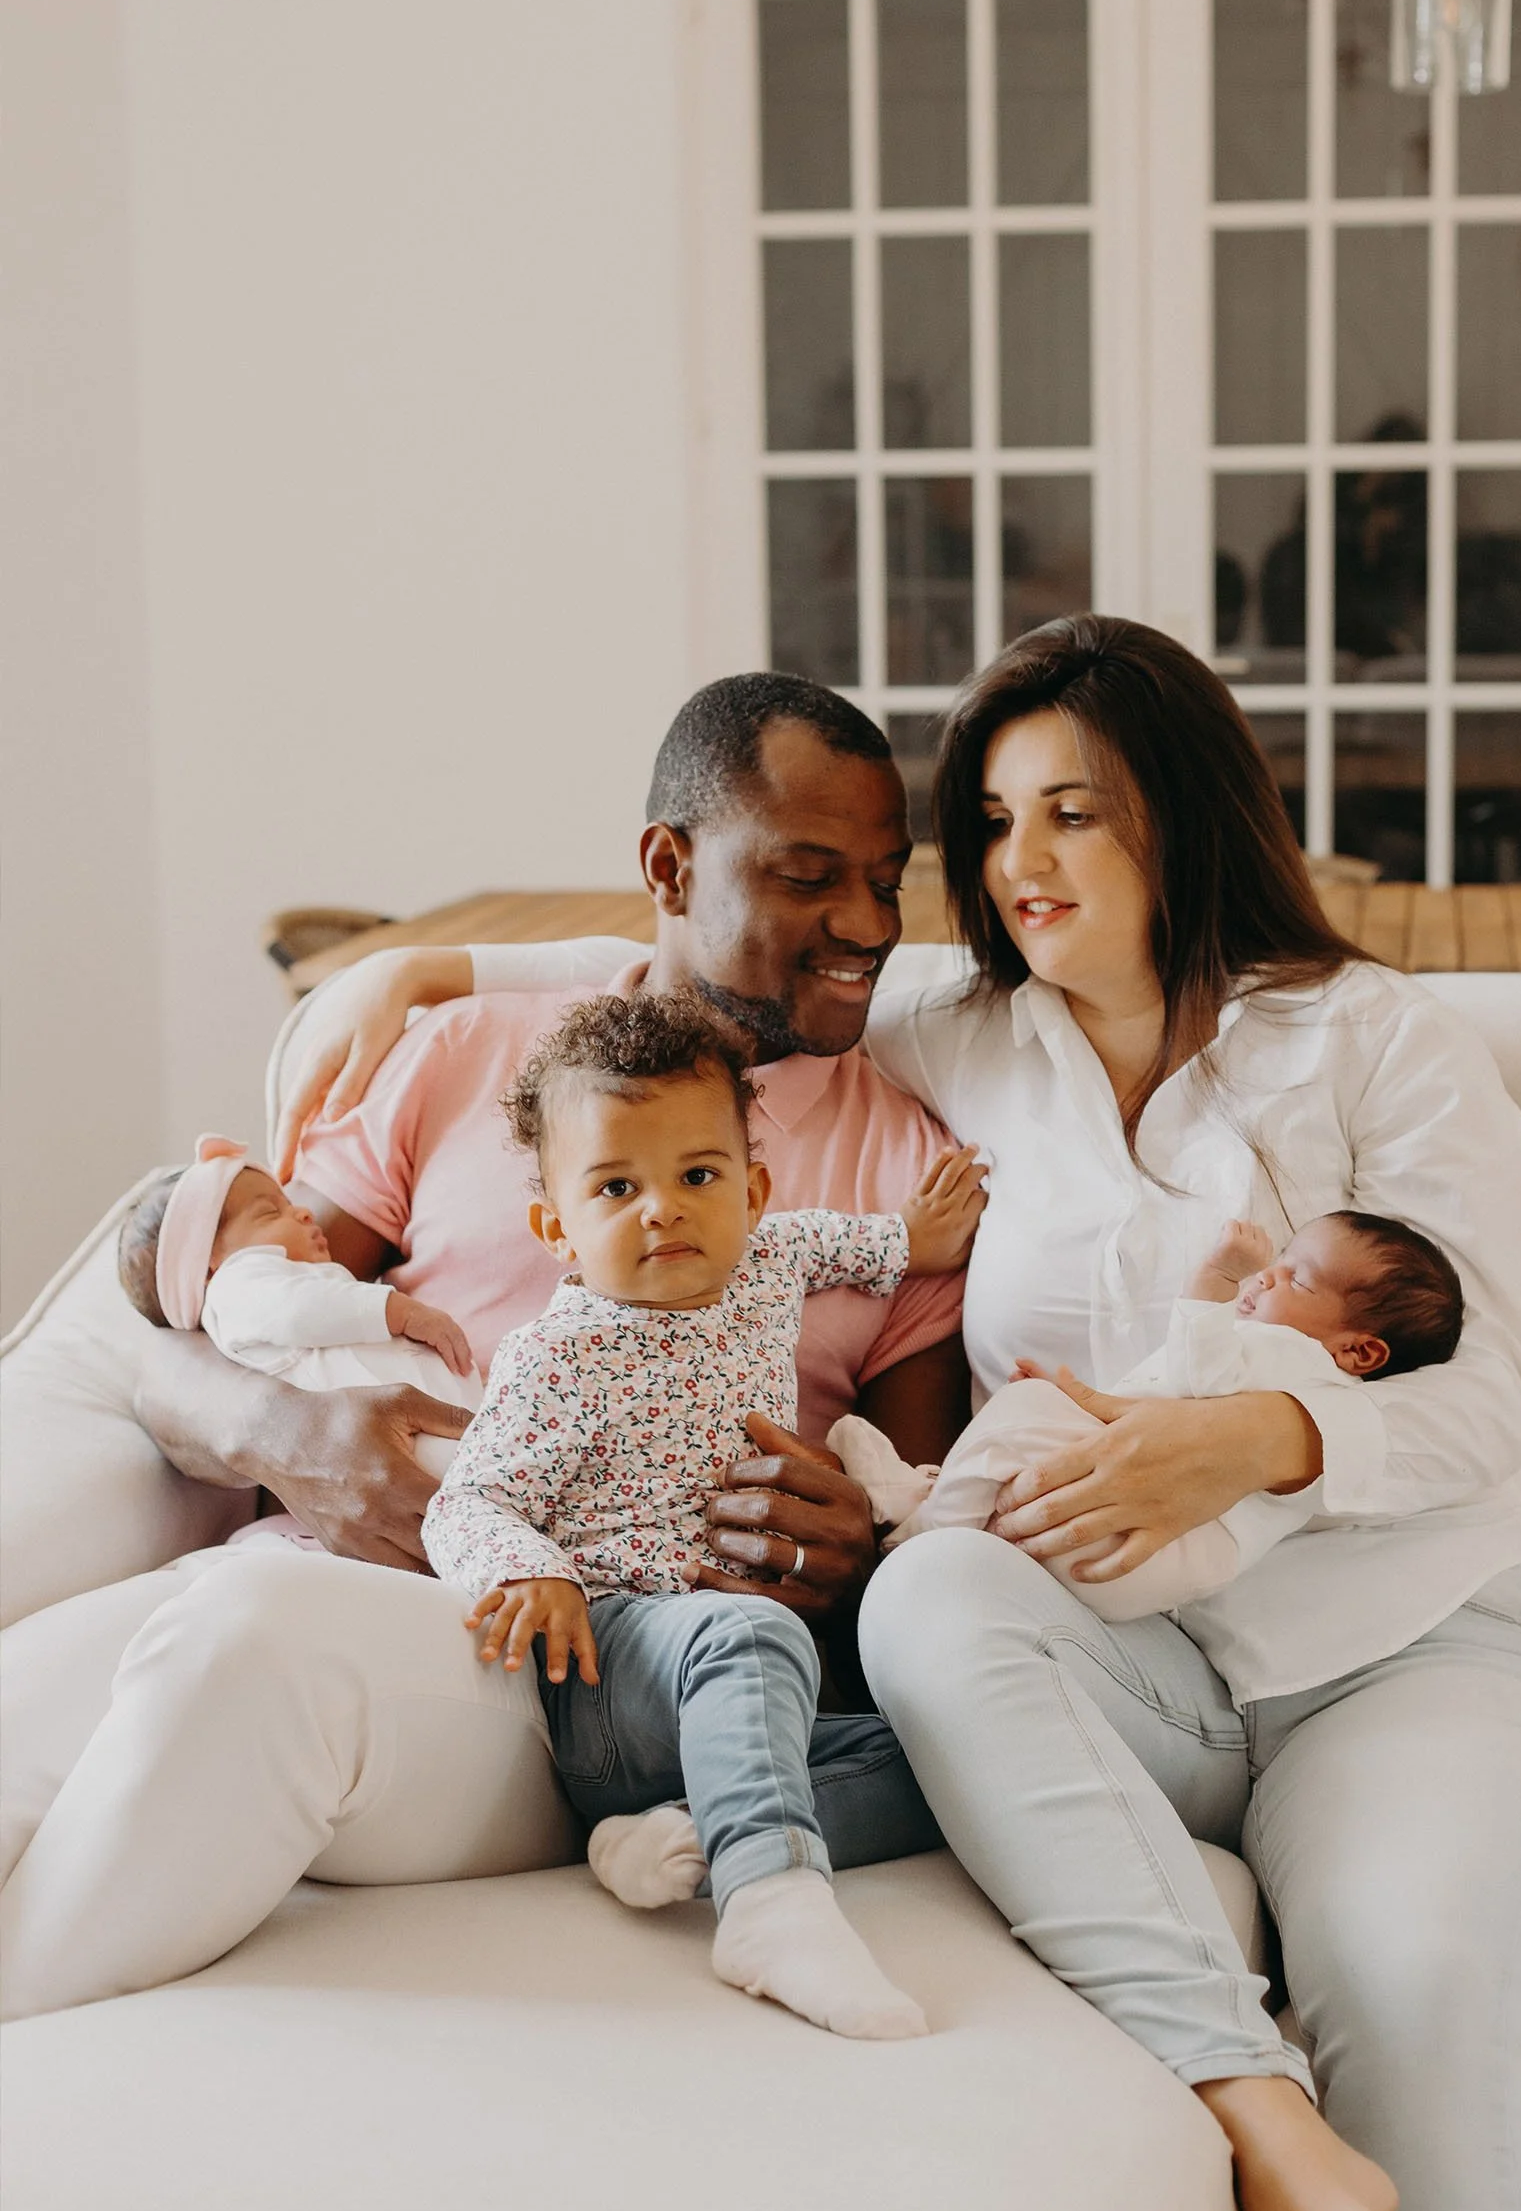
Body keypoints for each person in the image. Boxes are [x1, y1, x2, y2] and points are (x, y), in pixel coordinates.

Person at [332, 619, 1521, 2211]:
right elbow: (711, 961)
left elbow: (1484, 1382)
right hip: (1134, 1662)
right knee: (933, 1595)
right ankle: (1264, 2117)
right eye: (995, 827)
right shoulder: (965, 1032)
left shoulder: (1381, 1039)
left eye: (1074, 812)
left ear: (1188, 814)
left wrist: (1253, 1436)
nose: (1023, 866)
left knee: (1414, 1974)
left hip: (1406, 1645)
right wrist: (425, 976)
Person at [0, 674, 972, 2021]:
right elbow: (212, 1322)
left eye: (887, 878)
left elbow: (933, 1534)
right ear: (669, 867)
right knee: (41, 1692)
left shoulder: (905, 1165)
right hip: (319, 1562)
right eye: (811, 877)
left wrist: (855, 1545)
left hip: (570, 1669)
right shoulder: (464, 1051)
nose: (868, 925)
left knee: (256, 1633)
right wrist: (286, 1436)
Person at [427, 992, 980, 2037]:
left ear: (751, 1190)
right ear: (556, 1228)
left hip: (747, 1703)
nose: (662, 1209)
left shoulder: (768, 1261)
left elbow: (845, 1246)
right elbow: (472, 1497)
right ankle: (770, 1905)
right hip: (618, 1674)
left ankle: (673, 1839)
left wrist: (915, 1237)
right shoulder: (563, 1355)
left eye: (697, 1176)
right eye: (615, 1187)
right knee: (748, 1628)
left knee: (942, 1753)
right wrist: (524, 1569)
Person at [831, 1211, 1465, 1622]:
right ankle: (921, 1492)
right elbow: (1158, 1420)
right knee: (1025, 1441)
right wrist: (1070, 1401)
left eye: (1297, 1280)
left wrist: (1215, 1278)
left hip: (1151, 1543)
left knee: (1022, 1414)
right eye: (1278, 1263)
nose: (1268, 1278)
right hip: (1147, 1567)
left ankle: (915, 1537)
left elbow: (1197, 1371)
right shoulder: (1293, 1380)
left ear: (1358, 1350)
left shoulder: (1297, 1363)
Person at [118, 1136, 480, 1510]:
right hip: (408, 1446)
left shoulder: (280, 1282)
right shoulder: (235, 1287)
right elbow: (297, 1310)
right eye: (270, 1214)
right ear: (208, 1265)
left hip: (441, 1431)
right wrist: (399, 1312)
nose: (304, 1213)